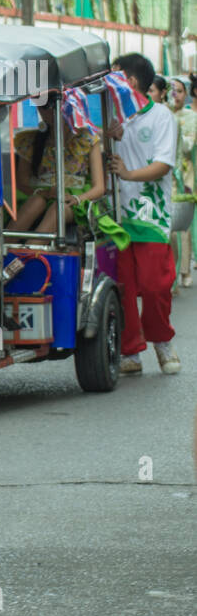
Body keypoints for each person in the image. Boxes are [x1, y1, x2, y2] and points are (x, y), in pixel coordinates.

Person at [106, 53, 179, 375]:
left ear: (130, 82)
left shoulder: (162, 116)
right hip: (119, 219)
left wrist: (128, 174)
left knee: (154, 287)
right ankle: (130, 351)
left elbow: (163, 165)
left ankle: (162, 341)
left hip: (151, 217)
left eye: (115, 77)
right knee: (123, 288)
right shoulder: (115, 120)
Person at [8, 92, 105, 234]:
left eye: (50, 107)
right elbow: (22, 181)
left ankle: (33, 250)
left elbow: (99, 188)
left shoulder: (87, 139)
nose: (45, 112)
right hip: (39, 195)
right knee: (36, 202)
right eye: (41, 107)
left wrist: (77, 199)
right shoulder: (30, 141)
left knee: (58, 208)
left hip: (76, 201)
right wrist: (43, 193)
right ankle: (8, 249)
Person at [169, 77, 196, 288]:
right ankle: (170, 273)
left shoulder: (191, 117)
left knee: (182, 227)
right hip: (165, 175)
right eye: (172, 91)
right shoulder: (164, 114)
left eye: (178, 91)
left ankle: (185, 270)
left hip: (185, 176)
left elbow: (187, 147)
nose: (175, 95)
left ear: (185, 94)